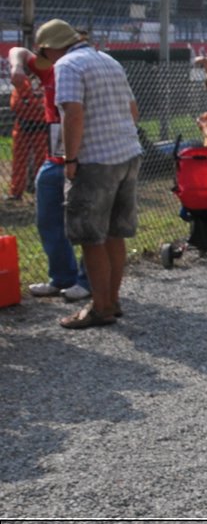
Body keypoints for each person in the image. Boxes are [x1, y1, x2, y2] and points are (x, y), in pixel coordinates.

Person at [50, 21, 144, 328]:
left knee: (92, 238)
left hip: (95, 160)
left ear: (52, 47)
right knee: (115, 235)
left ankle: (100, 308)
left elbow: (72, 112)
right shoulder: (108, 60)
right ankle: (112, 301)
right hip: (127, 154)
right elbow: (133, 110)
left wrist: (71, 157)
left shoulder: (67, 65)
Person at [8, 27, 90, 303]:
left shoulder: (82, 67)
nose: (42, 56)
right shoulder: (49, 70)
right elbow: (16, 51)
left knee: (87, 222)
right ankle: (62, 277)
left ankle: (87, 280)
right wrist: (18, 68)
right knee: (48, 220)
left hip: (84, 156)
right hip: (54, 159)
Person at [8, 55, 49, 199]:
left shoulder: (47, 80)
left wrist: (31, 103)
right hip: (23, 125)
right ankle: (15, 192)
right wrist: (35, 104)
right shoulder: (22, 81)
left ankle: (41, 190)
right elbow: (16, 104)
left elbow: (45, 105)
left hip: (41, 127)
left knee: (42, 161)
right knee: (19, 161)